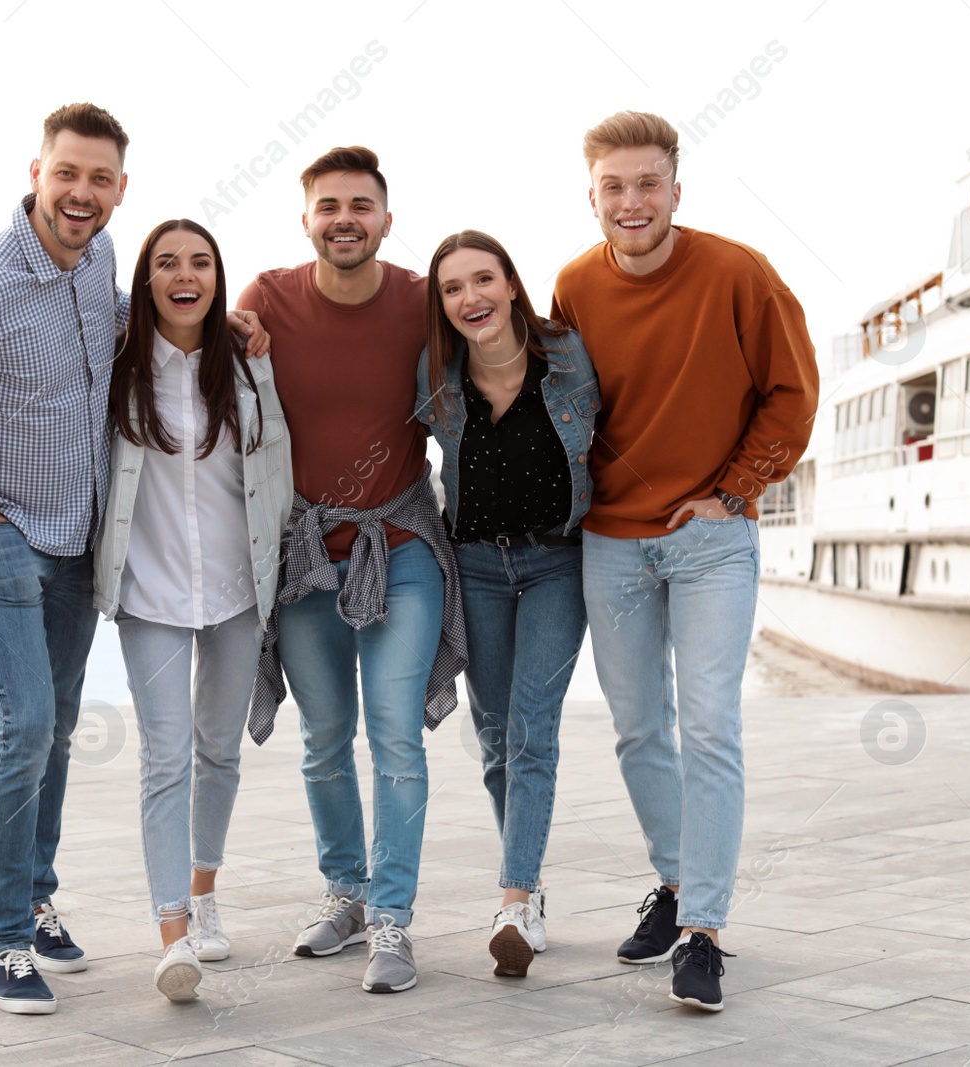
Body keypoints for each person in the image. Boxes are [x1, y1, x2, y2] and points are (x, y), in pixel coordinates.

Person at [0, 103, 266, 1016]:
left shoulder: (98, 268)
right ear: (37, 173)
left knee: (52, 730)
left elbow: (143, 315)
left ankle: (38, 896)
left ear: (120, 189)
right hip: (1, 541)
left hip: (78, 548)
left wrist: (230, 319)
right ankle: (5, 939)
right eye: (68, 174)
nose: (82, 194)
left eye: (100, 180)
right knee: (24, 733)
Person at [551, 110, 818, 1012]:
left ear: (676, 189)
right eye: (614, 187)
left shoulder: (739, 272)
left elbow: (794, 390)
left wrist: (736, 487)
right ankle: (674, 881)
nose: (633, 202)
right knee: (636, 730)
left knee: (710, 725)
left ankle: (701, 929)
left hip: (711, 538)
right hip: (611, 541)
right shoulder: (575, 285)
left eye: (648, 183)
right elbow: (567, 405)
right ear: (592, 197)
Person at [239, 146, 465, 995]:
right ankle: (347, 892)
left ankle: (395, 918)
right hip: (306, 557)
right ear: (307, 220)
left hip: (401, 544)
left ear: (385, 219)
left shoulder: (420, 301)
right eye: (328, 205)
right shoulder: (265, 297)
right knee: (324, 737)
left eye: (360, 205)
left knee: (395, 733)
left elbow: (486, 363)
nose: (345, 218)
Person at [93, 219, 293, 1002]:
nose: (186, 275)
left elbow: (274, 463)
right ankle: (172, 931)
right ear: (145, 280)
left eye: (201, 262)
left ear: (218, 276)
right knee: (164, 757)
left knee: (220, 750)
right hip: (149, 592)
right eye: (167, 263)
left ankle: (204, 892)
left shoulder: (245, 366)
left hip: (238, 590)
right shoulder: (115, 364)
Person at [415, 230, 599, 978]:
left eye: (483, 279)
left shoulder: (572, 358)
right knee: (494, 737)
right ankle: (531, 888)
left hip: (559, 559)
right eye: (454, 288)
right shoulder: (436, 378)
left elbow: (630, 426)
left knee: (531, 727)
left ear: (512, 284)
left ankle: (514, 901)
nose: (471, 298)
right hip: (477, 566)